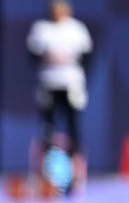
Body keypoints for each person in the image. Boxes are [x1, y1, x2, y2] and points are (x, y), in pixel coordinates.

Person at [26, 1, 92, 163]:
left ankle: (75, 163)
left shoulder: (77, 29)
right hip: (49, 83)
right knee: (48, 126)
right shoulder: (41, 29)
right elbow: (33, 54)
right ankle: (48, 164)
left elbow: (87, 55)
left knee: (73, 125)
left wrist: (68, 58)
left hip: (71, 83)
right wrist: (49, 57)